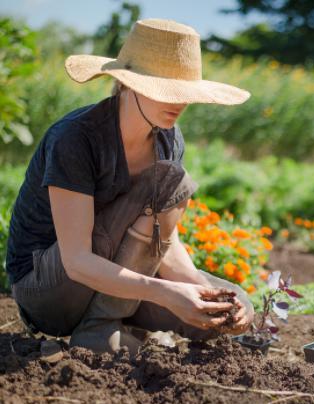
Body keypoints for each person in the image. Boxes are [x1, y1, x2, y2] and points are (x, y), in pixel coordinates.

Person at [6, 18, 254, 354]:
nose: (179, 102)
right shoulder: (77, 138)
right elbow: (77, 260)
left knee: (220, 308)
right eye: (166, 89)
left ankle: (110, 324)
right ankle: (99, 328)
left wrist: (204, 290)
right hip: (48, 290)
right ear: (129, 84)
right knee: (171, 183)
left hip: (108, 280)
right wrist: (165, 292)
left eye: (185, 92)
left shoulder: (168, 138)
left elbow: (162, 242)